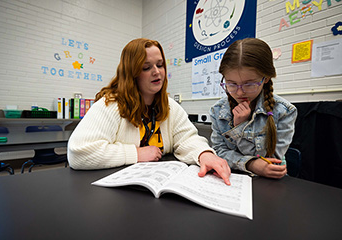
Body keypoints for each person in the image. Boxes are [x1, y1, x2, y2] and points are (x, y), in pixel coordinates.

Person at [68, 38, 231, 185]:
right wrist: (135, 154)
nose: (157, 72)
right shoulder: (111, 105)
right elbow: (78, 152)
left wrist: (203, 154)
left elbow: (186, 139)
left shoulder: (170, 107)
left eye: (160, 65)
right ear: (131, 73)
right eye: (146, 67)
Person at [209, 38, 297, 179]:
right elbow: (219, 151)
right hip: (233, 178)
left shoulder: (284, 111)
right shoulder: (217, 110)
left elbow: (269, 161)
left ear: (266, 78)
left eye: (249, 84)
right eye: (231, 84)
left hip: (268, 181)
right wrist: (250, 164)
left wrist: (241, 127)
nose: (239, 93)